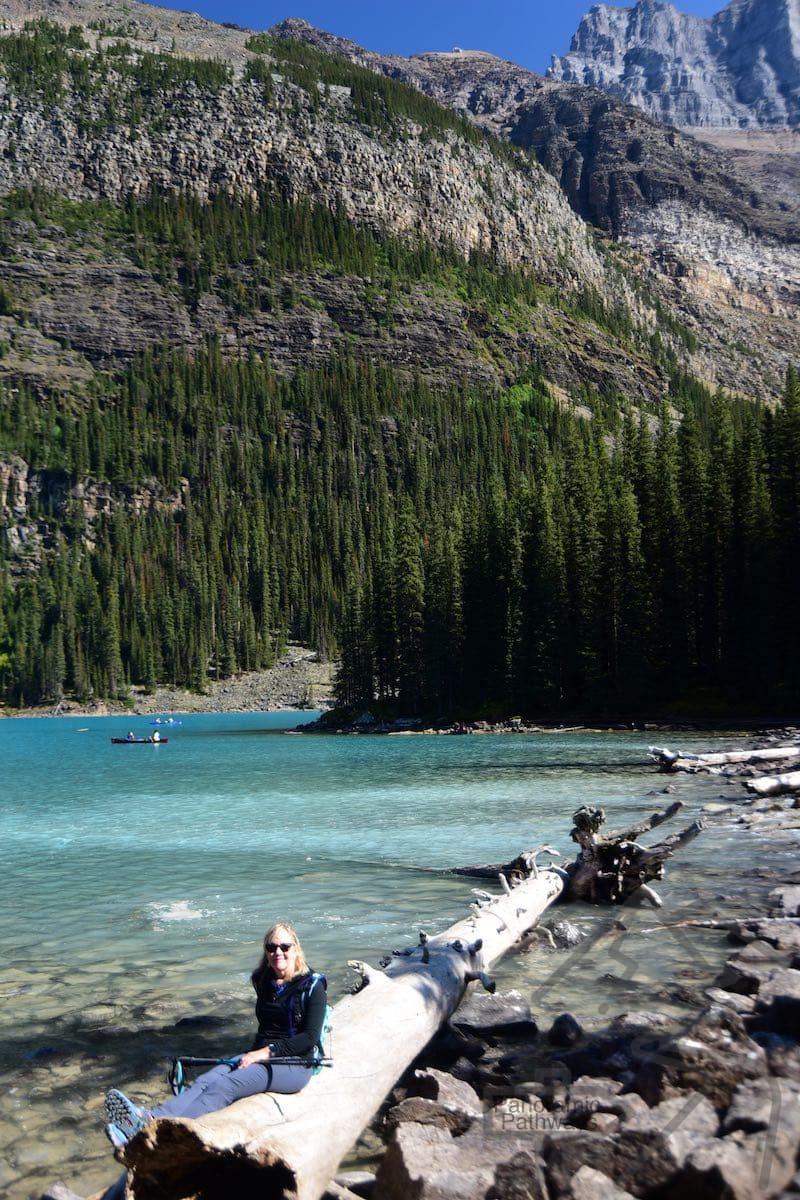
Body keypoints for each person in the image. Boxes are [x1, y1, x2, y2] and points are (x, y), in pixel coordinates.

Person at [102, 921, 327, 1148]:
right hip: (259, 1055)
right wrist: (255, 1054)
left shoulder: (312, 987)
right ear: (266, 951)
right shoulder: (263, 981)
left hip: (295, 1064)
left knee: (225, 1086)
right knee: (206, 1080)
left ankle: (168, 1136)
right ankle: (151, 1119)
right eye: (271, 947)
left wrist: (265, 1053)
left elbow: (308, 1038)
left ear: (295, 949)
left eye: (284, 947)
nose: (278, 952)